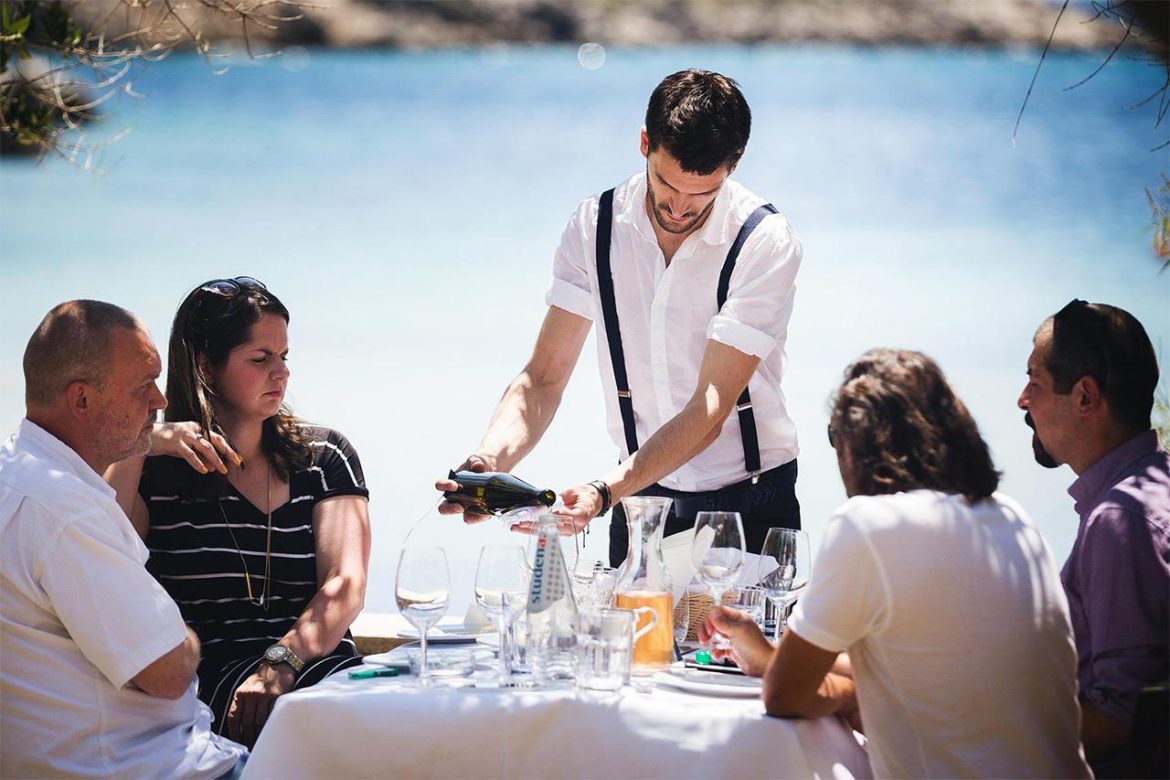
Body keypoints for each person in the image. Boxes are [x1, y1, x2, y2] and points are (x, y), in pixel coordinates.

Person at [437, 69, 803, 565]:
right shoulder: (595, 226)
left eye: (702, 193)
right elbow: (543, 378)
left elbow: (710, 409)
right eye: (666, 184)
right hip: (637, 501)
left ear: (733, 165)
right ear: (644, 143)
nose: (679, 208)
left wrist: (603, 491)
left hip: (749, 504)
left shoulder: (764, 241)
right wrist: (490, 460)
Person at [701, 349, 1090, 779]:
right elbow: (935, 670)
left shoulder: (870, 526)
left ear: (855, 444)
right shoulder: (1012, 519)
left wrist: (841, 692)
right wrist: (772, 658)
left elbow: (784, 697)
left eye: (834, 435)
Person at [104, 277, 371, 749]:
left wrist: (281, 664)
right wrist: (144, 442)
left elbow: (345, 585)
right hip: (214, 701)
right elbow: (102, 554)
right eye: (260, 359)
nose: (281, 373)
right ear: (205, 367)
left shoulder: (325, 457)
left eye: (284, 356)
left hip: (320, 674)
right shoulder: (153, 476)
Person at [0, 300, 247, 778]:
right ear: (81, 400)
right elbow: (168, 671)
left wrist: (149, 440)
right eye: (143, 387)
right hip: (151, 767)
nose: (160, 401)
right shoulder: (65, 509)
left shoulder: (18, 475)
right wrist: (184, 635)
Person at [1017, 299, 1169, 777]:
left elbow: (1121, 720)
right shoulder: (1152, 491)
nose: (1022, 400)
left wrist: (983, 735)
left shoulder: (1121, 519)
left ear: (1085, 397)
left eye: (1035, 382)